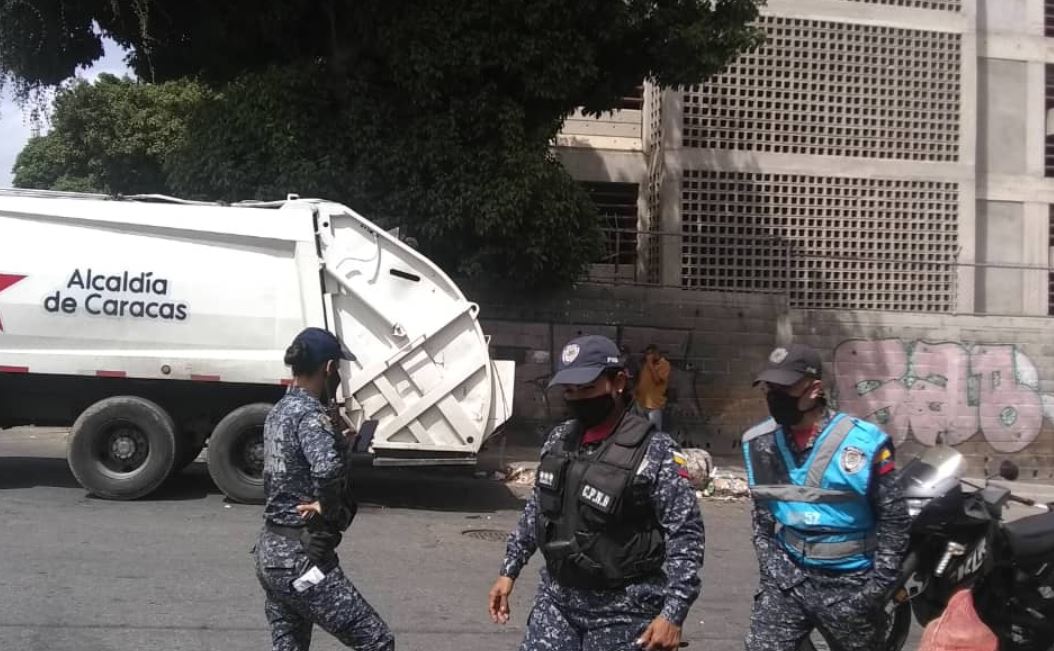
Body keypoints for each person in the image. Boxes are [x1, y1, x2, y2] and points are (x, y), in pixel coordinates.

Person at [488, 334, 705, 651]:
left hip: (625, 610)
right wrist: (509, 570)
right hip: (558, 602)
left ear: (618, 382)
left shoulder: (655, 451)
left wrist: (673, 612)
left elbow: (685, 534)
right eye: (570, 391)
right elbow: (538, 509)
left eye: (587, 388)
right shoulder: (560, 439)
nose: (577, 398)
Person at [742, 343, 909, 651]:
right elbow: (761, 522)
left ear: (814, 389)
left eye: (785, 387)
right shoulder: (760, 444)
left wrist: (875, 590)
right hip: (788, 581)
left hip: (851, 583)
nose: (774, 396)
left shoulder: (864, 444)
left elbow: (895, 520)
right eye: (769, 387)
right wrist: (774, 576)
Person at [253, 327, 394, 651]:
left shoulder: (279, 411)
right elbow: (326, 469)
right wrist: (326, 506)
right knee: (377, 641)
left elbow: (291, 467)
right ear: (328, 368)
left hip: (270, 554)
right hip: (302, 559)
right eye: (338, 370)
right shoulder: (310, 415)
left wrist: (337, 445)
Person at [635, 344, 671, 430]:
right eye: (646, 354)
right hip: (641, 401)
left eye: (649, 354)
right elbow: (642, 380)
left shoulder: (664, 364)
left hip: (653, 404)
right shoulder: (646, 364)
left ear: (656, 353)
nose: (647, 356)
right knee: (641, 429)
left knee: (654, 430)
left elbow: (657, 380)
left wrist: (650, 364)